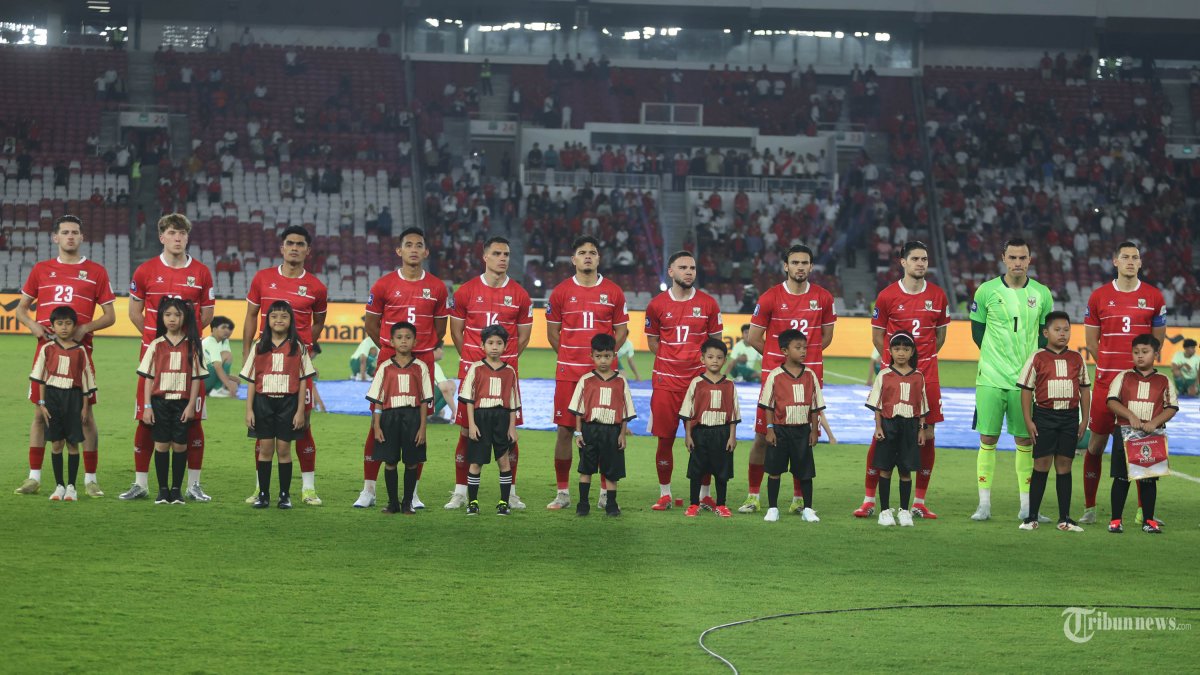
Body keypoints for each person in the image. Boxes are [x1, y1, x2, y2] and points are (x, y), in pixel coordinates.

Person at [14, 215, 116, 497]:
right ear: (55, 238)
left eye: (75, 233)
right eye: (65, 232)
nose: (70, 237)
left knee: (86, 417)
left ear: (82, 238)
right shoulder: (41, 269)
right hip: (46, 353)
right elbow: (21, 309)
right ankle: (34, 478)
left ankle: (90, 479)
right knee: (39, 413)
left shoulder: (96, 271)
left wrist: (86, 328)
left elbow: (110, 316)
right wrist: (33, 324)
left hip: (80, 355)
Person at [121, 214, 215, 502]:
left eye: (182, 233)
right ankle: (141, 484)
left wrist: (183, 343)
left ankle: (193, 485)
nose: (178, 238)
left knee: (193, 419)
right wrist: (158, 343)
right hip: (155, 360)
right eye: (172, 232)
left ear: (187, 237)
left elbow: (206, 315)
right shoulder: (145, 270)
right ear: (161, 236)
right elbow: (134, 312)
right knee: (146, 418)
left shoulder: (201, 272)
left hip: (188, 360)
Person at [855, 241, 949, 519]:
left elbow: (939, 337)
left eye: (925, 258)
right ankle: (869, 499)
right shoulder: (886, 296)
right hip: (892, 380)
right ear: (903, 262)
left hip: (926, 378)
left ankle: (919, 501)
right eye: (915, 259)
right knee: (881, 434)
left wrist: (919, 366)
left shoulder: (938, 296)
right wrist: (893, 366)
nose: (921, 263)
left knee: (927, 436)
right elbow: (877, 336)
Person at [738, 244, 836, 514]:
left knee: (802, 438)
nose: (800, 267)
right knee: (761, 437)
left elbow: (826, 337)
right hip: (775, 380)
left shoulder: (824, 297)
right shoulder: (770, 297)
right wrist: (781, 363)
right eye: (795, 262)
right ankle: (753, 496)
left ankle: (798, 499)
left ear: (811, 266)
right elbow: (754, 338)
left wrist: (803, 360)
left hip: (809, 378)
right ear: (785, 266)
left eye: (805, 262)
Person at [359, 227, 449, 510]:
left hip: (422, 362)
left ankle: (413, 493)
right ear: (399, 251)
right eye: (407, 245)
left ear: (426, 252)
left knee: (418, 428)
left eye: (418, 245)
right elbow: (371, 324)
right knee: (378, 425)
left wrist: (421, 351)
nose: (413, 249)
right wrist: (389, 348)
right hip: (390, 359)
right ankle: (368, 490)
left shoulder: (437, 287)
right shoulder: (384, 285)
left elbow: (440, 328)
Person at [1080, 242, 1166, 525]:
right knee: (1096, 444)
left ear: (1140, 263)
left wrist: (1137, 374)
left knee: (1143, 444)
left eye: (1135, 257)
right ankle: (1090, 507)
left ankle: (1144, 512)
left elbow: (1157, 342)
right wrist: (1110, 369)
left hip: (1140, 387)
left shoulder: (1154, 296)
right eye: (1125, 257)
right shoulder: (1099, 296)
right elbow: (1092, 342)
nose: (1130, 261)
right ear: (1115, 261)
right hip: (1107, 384)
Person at [241, 225, 328, 505]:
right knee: (263, 426)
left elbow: (318, 324)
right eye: (289, 243)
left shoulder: (316, 287)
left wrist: (301, 352)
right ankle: (260, 488)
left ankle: (308, 488)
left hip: (296, 367)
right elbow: (251, 316)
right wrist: (247, 354)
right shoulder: (263, 278)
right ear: (282, 248)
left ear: (307, 250)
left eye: (300, 244)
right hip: (267, 363)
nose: (294, 248)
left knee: (302, 426)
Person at [969, 238, 1054, 522]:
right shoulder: (986, 291)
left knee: (1024, 440)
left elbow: (1045, 335)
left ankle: (1026, 506)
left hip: (1025, 382)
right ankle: (984, 505)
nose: (1018, 262)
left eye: (1023, 257)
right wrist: (996, 359)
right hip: (991, 378)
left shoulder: (1042, 294)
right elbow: (977, 333)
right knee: (988, 438)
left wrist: (1029, 368)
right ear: (1003, 258)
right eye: (1013, 257)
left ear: (1030, 260)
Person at [445, 237, 532, 510]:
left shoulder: (520, 294)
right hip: (473, 372)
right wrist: (474, 361)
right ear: (485, 257)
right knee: (465, 431)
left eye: (506, 253)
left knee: (509, 432)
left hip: (506, 375)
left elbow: (523, 337)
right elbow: (456, 332)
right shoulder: (466, 292)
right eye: (496, 253)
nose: (502, 258)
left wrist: (503, 364)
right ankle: (460, 492)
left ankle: (511, 493)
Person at [545, 236, 629, 511]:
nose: (588, 256)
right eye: (582, 252)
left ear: (599, 258)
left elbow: (622, 331)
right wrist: (571, 357)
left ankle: (606, 493)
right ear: (574, 259)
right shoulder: (560, 292)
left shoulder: (614, 292)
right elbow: (552, 334)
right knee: (565, 431)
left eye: (593, 252)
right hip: (569, 373)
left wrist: (603, 359)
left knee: (606, 432)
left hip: (604, 378)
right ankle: (563, 493)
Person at [644, 251, 725, 510]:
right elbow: (653, 342)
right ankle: (665, 494)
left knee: (704, 441)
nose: (689, 271)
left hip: (698, 385)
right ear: (671, 272)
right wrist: (672, 361)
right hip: (666, 384)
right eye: (683, 267)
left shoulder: (709, 304)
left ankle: (704, 495)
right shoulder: (656, 305)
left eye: (692, 267)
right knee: (665, 439)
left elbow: (715, 343)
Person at [1016, 311, 1090, 532]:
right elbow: (1026, 391)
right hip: (1044, 417)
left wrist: (1084, 420)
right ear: (1046, 332)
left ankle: (1065, 518)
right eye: (1057, 330)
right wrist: (1029, 420)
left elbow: (1085, 390)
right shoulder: (1037, 357)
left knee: (1065, 465)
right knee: (1041, 464)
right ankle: (1031, 518)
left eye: (1066, 330)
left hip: (1069, 417)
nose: (1063, 334)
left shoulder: (1077, 358)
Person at [241, 301, 316, 510]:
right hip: (263, 402)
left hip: (288, 403)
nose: (279, 320)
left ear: (290, 320)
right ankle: (263, 494)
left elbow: (303, 381)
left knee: (284, 450)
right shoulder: (259, 346)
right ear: (267, 321)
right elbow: (251, 380)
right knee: (265, 449)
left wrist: (300, 410)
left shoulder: (297, 347)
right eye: (274, 316)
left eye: (284, 316)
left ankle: (285, 495)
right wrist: (249, 409)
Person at [136, 298, 206, 506]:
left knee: (180, 446)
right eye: (168, 315)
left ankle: (176, 491)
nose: (172, 319)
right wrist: (147, 406)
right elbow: (148, 378)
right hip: (159, 403)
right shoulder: (156, 345)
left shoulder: (192, 345)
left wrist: (191, 405)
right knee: (161, 445)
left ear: (184, 318)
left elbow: (195, 378)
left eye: (177, 315)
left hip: (181, 404)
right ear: (162, 318)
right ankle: (162, 491)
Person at [1106, 334, 1176, 534]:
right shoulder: (1124, 376)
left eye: (1145, 352)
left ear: (1156, 353)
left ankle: (1148, 521)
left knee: (1148, 479)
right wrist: (1130, 416)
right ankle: (1115, 520)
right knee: (1120, 478)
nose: (1139, 356)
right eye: (1136, 352)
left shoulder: (1163, 380)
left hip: (1152, 435)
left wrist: (1154, 422)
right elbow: (1111, 401)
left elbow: (1171, 407)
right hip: (1125, 432)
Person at [29, 307, 98, 502]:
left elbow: (86, 382)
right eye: (59, 324)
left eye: (68, 323)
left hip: (74, 398)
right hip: (52, 399)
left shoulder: (81, 351)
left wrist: (85, 406)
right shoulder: (47, 349)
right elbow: (41, 379)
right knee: (57, 443)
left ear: (74, 326)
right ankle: (59, 486)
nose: (64, 327)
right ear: (52, 327)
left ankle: (72, 487)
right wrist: (42, 403)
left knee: (72, 443)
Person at [757, 329, 824, 523]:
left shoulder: (810, 375)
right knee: (775, 471)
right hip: (780, 430)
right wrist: (769, 429)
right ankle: (772, 508)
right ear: (785, 351)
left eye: (805, 347)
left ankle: (808, 509)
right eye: (798, 347)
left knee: (805, 472)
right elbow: (768, 405)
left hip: (802, 431)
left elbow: (815, 407)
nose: (803, 351)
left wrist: (813, 430)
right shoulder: (775, 375)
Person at [366, 322, 432, 515]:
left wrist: (422, 428)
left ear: (415, 341)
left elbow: (423, 401)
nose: (404, 341)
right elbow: (378, 399)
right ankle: (393, 503)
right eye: (399, 337)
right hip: (389, 417)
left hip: (412, 417)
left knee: (412, 461)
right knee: (390, 461)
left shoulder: (421, 367)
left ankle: (407, 503)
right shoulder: (385, 367)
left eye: (408, 337)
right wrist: (377, 425)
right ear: (392, 341)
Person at [568, 333, 636, 517]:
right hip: (590, 430)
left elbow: (625, 411)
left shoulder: (621, 381)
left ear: (614, 356)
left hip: (612, 432)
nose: (603, 360)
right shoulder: (586, 380)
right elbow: (578, 410)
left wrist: (622, 434)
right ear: (592, 356)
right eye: (598, 356)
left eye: (607, 356)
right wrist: (578, 433)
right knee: (586, 468)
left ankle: (611, 504)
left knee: (612, 470)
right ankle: (583, 504)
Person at [865, 332, 928, 527]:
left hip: (909, 427)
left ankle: (904, 511)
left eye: (905, 349)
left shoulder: (918, 376)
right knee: (885, 469)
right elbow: (877, 404)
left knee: (906, 470)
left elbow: (922, 406)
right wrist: (878, 427)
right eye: (897, 349)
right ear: (890, 352)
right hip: (888, 425)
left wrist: (921, 429)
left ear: (912, 352)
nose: (901, 353)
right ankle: (884, 511)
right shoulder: (884, 375)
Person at [459, 325, 521, 516]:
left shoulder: (510, 371)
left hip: (501, 418)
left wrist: (512, 427)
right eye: (491, 343)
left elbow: (512, 403)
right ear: (482, 345)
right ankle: (473, 503)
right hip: (481, 418)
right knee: (476, 462)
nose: (495, 347)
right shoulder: (476, 368)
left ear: (505, 346)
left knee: (504, 462)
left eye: (499, 343)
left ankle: (504, 503)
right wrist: (472, 424)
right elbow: (469, 399)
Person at [681, 338, 741, 518]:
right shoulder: (696, 383)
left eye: (719, 357)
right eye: (710, 357)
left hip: (722, 433)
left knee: (722, 472)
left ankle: (721, 504)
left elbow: (734, 414)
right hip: (700, 433)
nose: (715, 360)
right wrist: (688, 435)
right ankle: (693, 504)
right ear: (702, 359)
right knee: (696, 471)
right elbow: (687, 412)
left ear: (725, 360)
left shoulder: (729, 384)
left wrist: (732, 437)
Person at [202, 316, 238, 396]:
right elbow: (217, 366)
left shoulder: (224, 341)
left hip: (207, 376)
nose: (227, 331)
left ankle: (217, 389)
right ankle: (217, 389)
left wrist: (231, 378)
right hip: (201, 380)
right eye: (223, 327)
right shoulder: (211, 342)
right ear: (214, 329)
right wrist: (229, 386)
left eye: (228, 328)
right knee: (227, 355)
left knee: (236, 382)